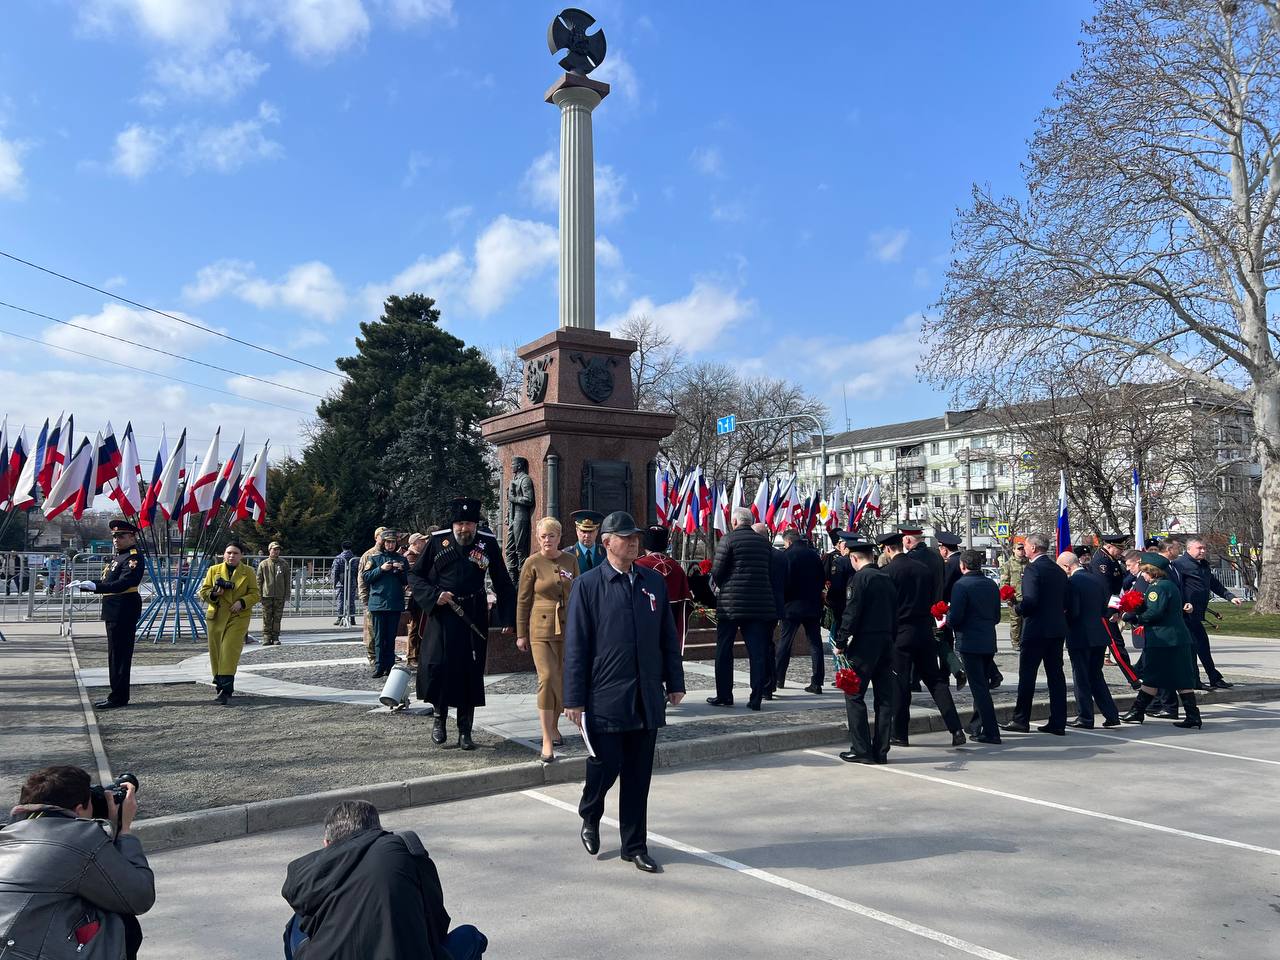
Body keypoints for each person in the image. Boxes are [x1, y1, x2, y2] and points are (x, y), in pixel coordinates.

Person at [563, 511, 686, 874]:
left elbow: (668, 634)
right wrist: (573, 698)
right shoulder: (587, 586)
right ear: (607, 543)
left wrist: (675, 681)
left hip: (645, 694)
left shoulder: (652, 582)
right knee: (606, 764)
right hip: (605, 694)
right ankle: (590, 810)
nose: (634, 542)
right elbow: (576, 646)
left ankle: (634, 845)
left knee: (637, 775)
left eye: (636, 537)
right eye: (626, 537)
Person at [281, 800, 486, 960]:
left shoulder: (309, 870)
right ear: (377, 830)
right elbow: (436, 922)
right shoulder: (402, 849)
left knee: (295, 924)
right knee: (472, 936)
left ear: (327, 843)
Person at [0, 765, 154, 960]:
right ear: (79, 808)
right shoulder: (79, 838)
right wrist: (124, 831)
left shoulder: (5, 835)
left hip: (14, 946)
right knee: (119, 921)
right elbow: (139, 896)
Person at [409, 498, 515, 750]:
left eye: (468, 523)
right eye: (459, 523)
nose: (463, 528)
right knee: (439, 667)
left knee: (470, 671)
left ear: (475, 524)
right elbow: (415, 575)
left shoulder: (486, 543)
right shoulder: (437, 541)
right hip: (443, 614)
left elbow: (502, 581)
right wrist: (435, 595)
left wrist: (508, 618)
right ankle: (439, 718)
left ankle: (465, 731)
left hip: (473, 613)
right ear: (453, 524)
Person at [881, 531, 967, 746]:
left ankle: (900, 733)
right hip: (924, 630)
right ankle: (956, 730)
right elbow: (933, 598)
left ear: (888, 549)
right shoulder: (923, 570)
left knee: (900, 684)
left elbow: (888, 607)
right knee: (936, 681)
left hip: (901, 632)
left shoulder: (888, 572)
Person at [515, 516, 579, 763]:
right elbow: (523, 599)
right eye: (543, 536)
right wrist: (521, 633)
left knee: (561, 679)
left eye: (551, 536)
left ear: (559, 537)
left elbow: (579, 591)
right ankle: (545, 738)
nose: (547, 540)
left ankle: (554, 726)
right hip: (540, 628)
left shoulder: (570, 560)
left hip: (567, 627)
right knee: (548, 678)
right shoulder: (532, 563)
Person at [1119, 553, 1203, 728]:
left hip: (1163, 640)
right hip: (1176, 639)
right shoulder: (1168, 585)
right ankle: (1191, 715)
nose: (1142, 575)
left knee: (1151, 675)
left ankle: (1138, 711)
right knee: (1179, 677)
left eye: (1144, 571)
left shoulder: (1157, 588)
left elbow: (1154, 613)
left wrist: (1133, 618)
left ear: (1151, 571)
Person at [833, 535, 897, 763]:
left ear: (853, 557)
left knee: (854, 694)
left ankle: (861, 749)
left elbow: (852, 612)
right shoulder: (886, 577)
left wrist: (840, 642)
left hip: (864, 645)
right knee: (884, 698)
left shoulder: (860, 579)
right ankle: (881, 750)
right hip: (887, 642)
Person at [69, 519, 146, 709]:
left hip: (124, 608)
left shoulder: (133, 557)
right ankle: (116, 694)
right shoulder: (119, 557)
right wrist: (86, 584)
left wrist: (95, 587)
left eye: (121, 536)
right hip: (114, 608)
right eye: (114, 536)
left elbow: (123, 583)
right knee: (114, 654)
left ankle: (118, 697)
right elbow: (108, 579)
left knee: (119, 655)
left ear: (132, 537)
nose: (116, 540)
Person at [708, 508, 778, 710]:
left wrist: (723, 586)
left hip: (730, 605)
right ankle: (756, 697)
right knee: (757, 653)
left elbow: (717, 571)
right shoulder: (764, 544)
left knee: (724, 650)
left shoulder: (728, 540)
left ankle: (724, 695)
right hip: (759, 605)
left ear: (735, 521)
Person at [1001, 532, 1069, 735]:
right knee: (1056, 676)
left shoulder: (1033, 569)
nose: (1025, 549)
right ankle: (1058, 721)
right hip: (1056, 629)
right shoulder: (1058, 570)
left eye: (1026, 545)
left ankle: (1021, 719)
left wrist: (1017, 607)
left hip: (1036, 629)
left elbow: (1030, 601)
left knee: (1027, 675)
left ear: (1033, 548)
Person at [1057, 551, 1122, 729]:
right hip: (1099, 634)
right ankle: (1111, 714)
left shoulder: (1071, 582)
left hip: (1080, 634)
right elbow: (1104, 608)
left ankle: (1085, 717)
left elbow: (1073, 610)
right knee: (1096, 675)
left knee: (1081, 677)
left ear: (1067, 567)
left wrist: (1064, 621)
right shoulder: (1095, 579)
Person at [1172, 537, 1242, 690]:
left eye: (1204, 548)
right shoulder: (1179, 565)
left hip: (1197, 613)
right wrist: (1183, 602)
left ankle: (1214, 678)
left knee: (1203, 646)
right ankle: (1196, 680)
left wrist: (1230, 597)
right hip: (1185, 614)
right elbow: (1176, 586)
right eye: (1199, 548)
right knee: (1192, 648)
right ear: (1189, 549)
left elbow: (1213, 583)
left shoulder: (1203, 564)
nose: (1203, 551)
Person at [949, 549, 1002, 743]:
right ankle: (977, 726)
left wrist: (947, 619)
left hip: (969, 642)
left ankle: (991, 731)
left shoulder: (961, 586)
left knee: (979, 689)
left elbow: (955, 618)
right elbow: (996, 616)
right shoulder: (990, 584)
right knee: (982, 687)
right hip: (988, 640)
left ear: (962, 566)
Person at [199, 540, 260, 705]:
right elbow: (203, 591)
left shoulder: (248, 571)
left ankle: (226, 689)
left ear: (241, 556)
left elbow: (255, 594)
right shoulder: (214, 570)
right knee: (217, 652)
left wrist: (242, 602)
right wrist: (214, 594)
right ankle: (219, 685)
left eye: (235, 553)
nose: (231, 556)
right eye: (229, 553)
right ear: (224, 554)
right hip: (217, 615)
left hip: (237, 617)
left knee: (229, 651)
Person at [1087, 533, 1141, 687]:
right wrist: (1113, 611)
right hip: (1104, 610)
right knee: (1116, 644)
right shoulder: (1101, 561)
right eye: (1119, 549)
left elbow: (1119, 584)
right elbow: (1105, 589)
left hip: (1112, 606)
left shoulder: (1112, 560)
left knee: (1108, 644)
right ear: (1109, 546)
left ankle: (1134, 675)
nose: (1121, 552)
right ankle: (1133, 678)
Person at [777, 529, 827, 695]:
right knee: (815, 644)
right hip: (812, 605)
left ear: (788, 542)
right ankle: (817, 681)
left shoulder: (787, 555)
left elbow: (783, 582)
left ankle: (779, 678)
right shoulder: (814, 555)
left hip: (791, 606)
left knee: (785, 643)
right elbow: (822, 578)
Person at [634, 525, 692, 650]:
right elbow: (685, 601)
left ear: (645, 545)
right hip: (670, 623)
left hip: (646, 622)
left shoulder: (637, 566)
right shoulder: (677, 567)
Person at [363, 528, 408, 679]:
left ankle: (389, 666)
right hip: (378, 603)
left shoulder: (402, 559)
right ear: (383, 543)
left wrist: (401, 570)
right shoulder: (374, 558)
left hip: (394, 603)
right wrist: (380, 569)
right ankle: (378, 666)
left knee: (390, 637)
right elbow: (366, 577)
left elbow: (407, 580)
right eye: (388, 542)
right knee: (379, 637)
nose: (390, 545)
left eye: (393, 542)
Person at [753, 521, 787, 698]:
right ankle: (770, 683)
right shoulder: (780, 555)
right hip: (776, 607)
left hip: (761, 606)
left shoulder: (760, 556)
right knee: (768, 645)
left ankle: (765, 685)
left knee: (762, 647)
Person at [934, 531, 968, 689]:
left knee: (945, 640)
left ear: (944, 549)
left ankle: (947, 673)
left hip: (948, 607)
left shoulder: (949, 564)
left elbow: (944, 586)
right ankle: (993, 674)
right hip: (963, 606)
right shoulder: (961, 561)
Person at [356, 528, 387, 665]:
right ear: (376, 538)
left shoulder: (388, 553)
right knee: (372, 629)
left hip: (385, 598)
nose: (385, 539)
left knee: (384, 629)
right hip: (372, 598)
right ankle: (372, 655)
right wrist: (364, 598)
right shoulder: (369, 555)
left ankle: (384, 654)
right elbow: (362, 578)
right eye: (382, 536)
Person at [504, 457, 535, 582]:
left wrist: (514, 498)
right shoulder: (515, 479)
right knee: (509, 549)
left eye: (514, 464)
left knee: (520, 549)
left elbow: (529, 499)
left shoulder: (525, 480)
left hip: (521, 517)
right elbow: (510, 501)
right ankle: (512, 579)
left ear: (520, 466)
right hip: (513, 518)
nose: (512, 467)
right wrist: (507, 515)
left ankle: (523, 579)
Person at [256, 541, 291, 647]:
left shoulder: (284, 564)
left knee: (277, 617)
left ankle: (275, 637)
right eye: (274, 549)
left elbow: (287, 580)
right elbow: (259, 580)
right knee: (266, 617)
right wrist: (259, 594)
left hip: (279, 595)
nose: (276, 551)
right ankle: (266, 637)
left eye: (278, 549)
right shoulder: (263, 564)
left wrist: (287, 594)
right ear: (269, 550)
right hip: (267, 595)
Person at [403, 532, 428, 668]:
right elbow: (417, 576)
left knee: (419, 625)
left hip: (419, 595)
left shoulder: (418, 555)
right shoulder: (411, 556)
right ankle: (412, 656)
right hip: (413, 596)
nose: (424, 543)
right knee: (414, 626)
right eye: (422, 541)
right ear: (415, 543)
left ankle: (417, 654)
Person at [999, 540, 1029, 650]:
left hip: (1027, 597)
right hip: (1014, 598)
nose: (1021, 551)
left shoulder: (1029, 564)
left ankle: (1024, 641)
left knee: (1027, 621)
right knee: (1016, 622)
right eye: (1019, 549)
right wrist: (1009, 597)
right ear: (1014, 550)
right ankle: (1016, 643)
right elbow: (1004, 583)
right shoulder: (1008, 565)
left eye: (1023, 549)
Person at [331, 541, 357, 627]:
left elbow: (335, 571)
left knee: (341, 600)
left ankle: (340, 617)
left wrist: (334, 583)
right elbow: (357, 570)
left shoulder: (338, 558)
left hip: (341, 581)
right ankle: (352, 618)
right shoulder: (354, 558)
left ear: (342, 547)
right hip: (352, 580)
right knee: (351, 599)